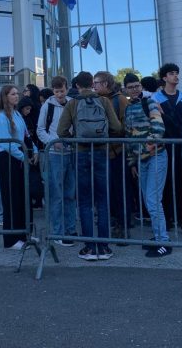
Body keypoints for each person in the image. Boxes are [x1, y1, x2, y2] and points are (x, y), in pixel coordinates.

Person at [57, 71, 122, 262]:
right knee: (102, 200)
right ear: (92, 84)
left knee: (84, 201)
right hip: (101, 152)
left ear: (77, 86)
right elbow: (117, 127)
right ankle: (104, 247)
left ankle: (89, 247)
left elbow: (61, 131)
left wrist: (74, 141)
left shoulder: (73, 103)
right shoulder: (104, 101)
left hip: (81, 153)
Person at [123, 73, 171, 257]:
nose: (134, 89)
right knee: (149, 200)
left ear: (141, 87)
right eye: (130, 87)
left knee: (152, 200)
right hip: (141, 160)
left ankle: (163, 241)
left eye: (136, 86)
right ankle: (159, 236)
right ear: (126, 89)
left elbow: (158, 127)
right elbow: (128, 136)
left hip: (156, 156)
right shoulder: (128, 109)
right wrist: (132, 161)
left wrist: (148, 146)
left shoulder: (149, 103)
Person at [152, 62, 182, 236]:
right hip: (164, 146)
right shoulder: (155, 98)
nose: (175, 76)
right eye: (171, 73)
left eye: (176, 73)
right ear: (164, 78)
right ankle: (169, 218)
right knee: (165, 183)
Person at [93, 70, 133, 240]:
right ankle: (113, 222)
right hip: (103, 153)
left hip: (117, 152)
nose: (93, 86)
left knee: (120, 191)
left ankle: (123, 226)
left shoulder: (120, 100)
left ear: (106, 84)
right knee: (106, 191)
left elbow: (126, 127)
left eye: (96, 83)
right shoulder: (96, 100)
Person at [37, 76, 76, 246]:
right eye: (56, 91)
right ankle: (58, 231)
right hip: (53, 154)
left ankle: (70, 228)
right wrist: (53, 142)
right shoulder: (47, 106)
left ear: (67, 88)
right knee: (56, 195)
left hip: (70, 152)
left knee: (69, 194)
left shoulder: (72, 103)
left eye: (62, 90)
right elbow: (40, 130)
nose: (60, 94)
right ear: (53, 91)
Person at [0, 85, 33, 250]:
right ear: (5, 97)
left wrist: (34, 151)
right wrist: (24, 157)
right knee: (11, 199)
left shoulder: (17, 114)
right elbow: (7, 143)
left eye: (17, 93)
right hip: (9, 160)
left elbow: (25, 135)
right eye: (13, 94)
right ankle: (11, 239)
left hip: (19, 158)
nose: (17, 96)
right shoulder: (1, 117)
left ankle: (23, 234)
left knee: (21, 199)